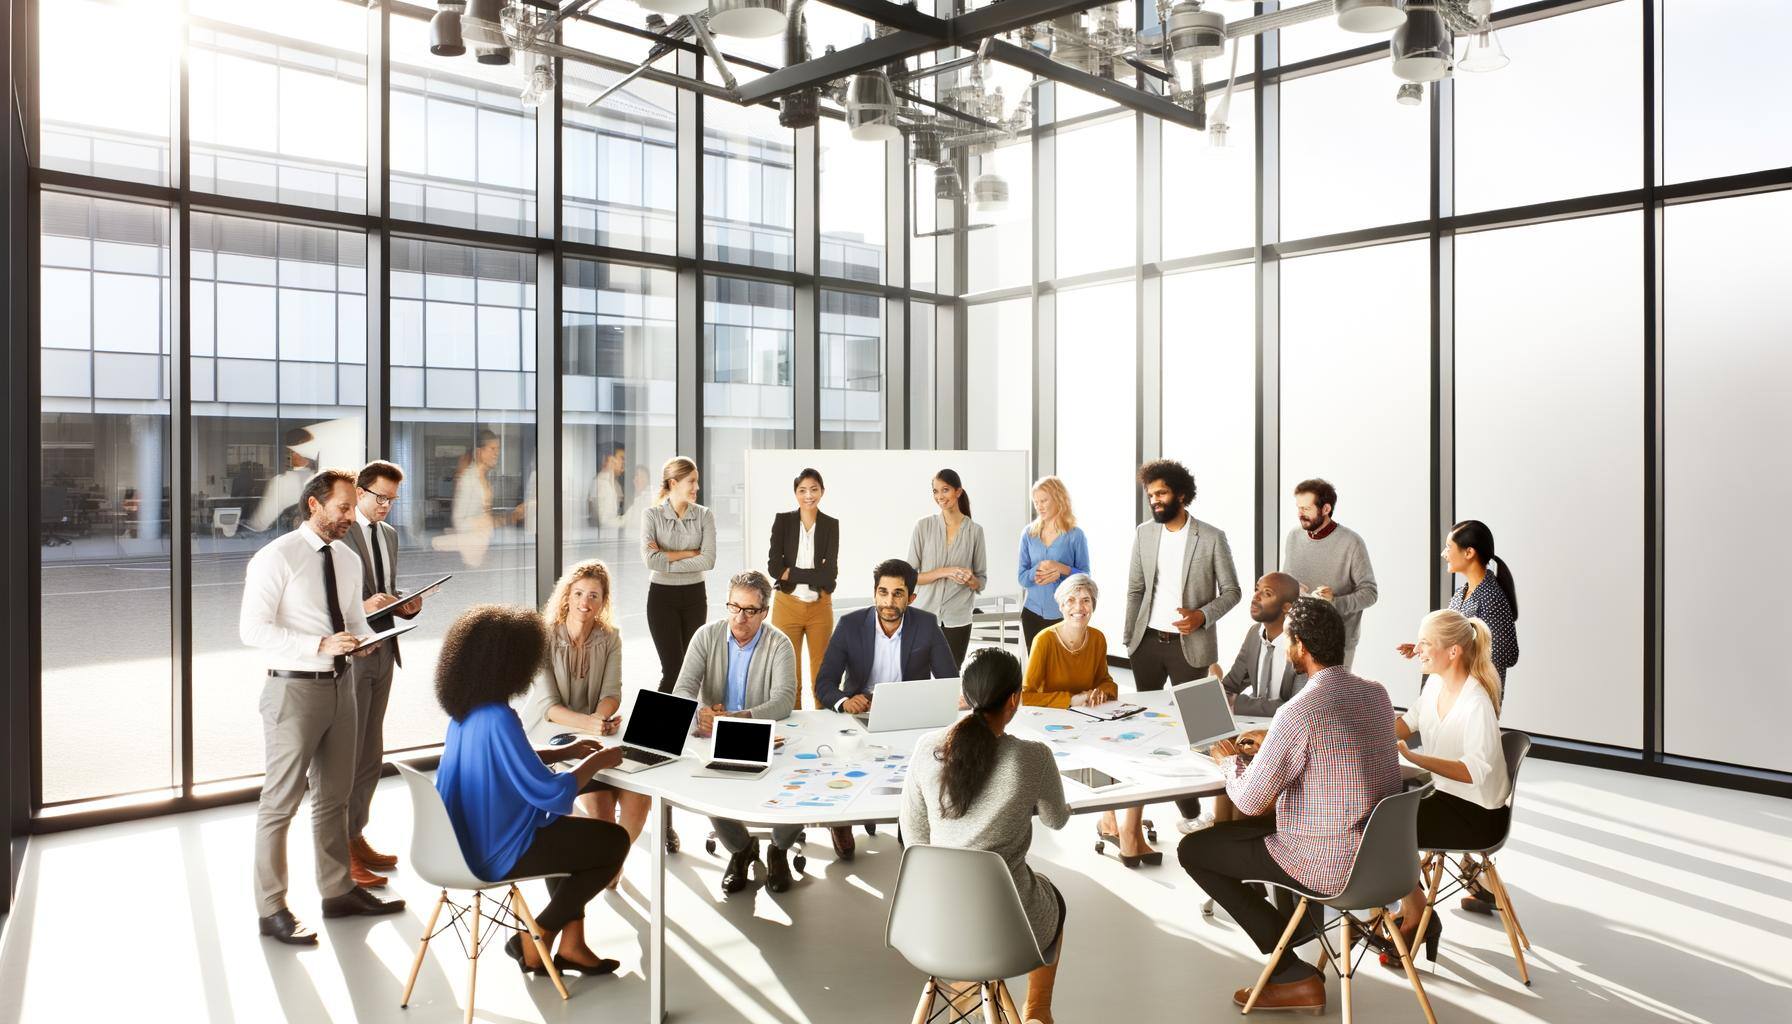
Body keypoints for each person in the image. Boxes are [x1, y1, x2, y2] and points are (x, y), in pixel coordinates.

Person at [1176, 598, 1401, 1016]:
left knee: (1194, 850)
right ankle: (1293, 941)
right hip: (1384, 860)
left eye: (1287, 643)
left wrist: (1230, 760)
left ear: (1300, 647)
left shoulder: (1298, 711)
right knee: (1258, 831)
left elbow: (1249, 799)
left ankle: (1290, 972)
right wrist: (1270, 750)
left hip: (1326, 865)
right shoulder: (1377, 695)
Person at [239, 469, 403, 945]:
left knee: (334, 797)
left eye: (353, 508)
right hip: (293, 690)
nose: (352, 516)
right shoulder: (277, 557)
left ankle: (337, 891)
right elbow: (252, 630)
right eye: (343, 508)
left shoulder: (349, 560)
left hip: (342, 686)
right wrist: (319, 644)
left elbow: (354, 621)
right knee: (281, 802)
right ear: (314, 505)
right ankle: (271, 908)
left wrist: (368, 640)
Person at [433, 604, 631, 977]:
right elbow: (551, 793)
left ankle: (572, 948)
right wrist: (599, 761)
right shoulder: (500, 718)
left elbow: (507, 757)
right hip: (496, 852)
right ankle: (538, 933)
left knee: (572, 839)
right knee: (613, 841)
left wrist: (564, 751)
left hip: (463, 843)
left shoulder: (467, 713)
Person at [902, 648, 1070, 1024]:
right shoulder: (1033, 757)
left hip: (929, 923)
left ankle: (962, 1005)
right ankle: (1038, 1011)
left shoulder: (926, 748)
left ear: (964, 695)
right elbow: (1056, 820)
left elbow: (914, 838)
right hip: (1007, 928)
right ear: (1014, 699)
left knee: (963, 897)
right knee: (1052, 896)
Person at [1373, 608, 1511, 969]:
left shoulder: (1476, 702)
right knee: (1377, 813)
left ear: (1453, 652)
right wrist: (1365, 732)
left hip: (1477, 815)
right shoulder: (1435, 684)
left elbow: (1473, 772)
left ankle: (1415, 914)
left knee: (1381, 826)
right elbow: (1407, 722)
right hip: (1447, 798)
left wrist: (1417, 760)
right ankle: (1403, 909)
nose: (1418, 650)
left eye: (1425, 643)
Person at [813, 557, 956, 861]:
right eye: (883, 592)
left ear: (911, 597)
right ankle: (842, 823)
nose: (889, 602)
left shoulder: (926, 624)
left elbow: (949, 680)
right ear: (875, 592)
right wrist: (843, 700)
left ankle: (911, 823)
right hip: (858, 713)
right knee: (847, 764)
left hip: (907, 715)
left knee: (917, 769)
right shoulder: (851, 625)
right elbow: (824, 683)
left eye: (898, 593)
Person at [1122, 460, 1240, 828]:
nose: (1155, 501)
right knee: (1145, 730)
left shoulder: (1211, 537)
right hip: (1146, 646)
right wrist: (1129, 640)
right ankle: (1184, 811)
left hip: (1191, 647)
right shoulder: (1144, 534)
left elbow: (1233, 592)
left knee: (1203, 730)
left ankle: (1222, 813)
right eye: (1151, 495)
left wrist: (1201, 616)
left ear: (1181, 495)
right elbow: (1136, 589)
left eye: (1161, 493)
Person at [672, 571, 800, 896]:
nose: (739, 617)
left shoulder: (779, 644)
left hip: (764, 734)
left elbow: (784, 701)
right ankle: (742, 849)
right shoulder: (706, 636)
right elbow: (683, 690)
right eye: (734, 607)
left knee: (797, 784)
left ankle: (778, 849)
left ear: (764, 612)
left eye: (750, 610)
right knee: (704, 785)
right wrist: (699, 715)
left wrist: (736, 718)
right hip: (716, 738)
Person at [1023, 574, 1161, 868]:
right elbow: (1027, 695)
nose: (1079, 607)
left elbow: (1106, 680)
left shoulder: (1096, 638)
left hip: (1092, 720)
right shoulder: (1045, 640)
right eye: (1072, 600)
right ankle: (1119, 828)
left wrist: (1103, 691)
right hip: (1055, 725)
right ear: (1061, 606)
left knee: (1134, 748)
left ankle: (1126, 828)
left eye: (1086, 600)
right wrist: (1071, 700)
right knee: (1110, 752)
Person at [522, 559, 652, 856]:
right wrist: (590, 725)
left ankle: (613, 859)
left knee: (638, 796)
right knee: (603, 809)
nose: (585, 602)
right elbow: (549, 707)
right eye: (579, 593)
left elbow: (612, 692)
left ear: (603, 601)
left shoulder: (610, 637)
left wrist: (599, 717)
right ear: (567, 597)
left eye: (594, 595)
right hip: (549, 734)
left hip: (595, 731)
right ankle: (606, 861)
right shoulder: (542, 636)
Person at [342, 460, 425, 889]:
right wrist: (364, 606)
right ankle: (340, 852)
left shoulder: (389, 536)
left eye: (393, 500)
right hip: (353, 653)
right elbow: (331, 598)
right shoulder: (341, 532)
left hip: (384, 648)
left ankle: (356, 834)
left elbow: (386, 585)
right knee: (348, 754)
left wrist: (404, 602)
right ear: (359, 492)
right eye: (380, 498)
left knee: (371, 754)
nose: (387, 507)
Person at [1399, 519, 1519, 694]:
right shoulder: (1460, 593)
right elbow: (1452, 638)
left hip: (1473, 698)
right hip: (1451, 695)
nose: (1443, 553)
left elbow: (1505, 655)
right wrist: (1426, 646)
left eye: (1449, 547)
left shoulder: (1492, 598)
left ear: (1469, 552)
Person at [1281, 479, 1378, 667]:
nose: (1300, 515)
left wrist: (1333, 603)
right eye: (1298, 508)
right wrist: (1291, 588)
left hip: (1336, 643)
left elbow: (1370, 594)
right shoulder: (1293, 536)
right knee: (1294, 696)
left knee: (1331, 697)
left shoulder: (1352, 542)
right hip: (1297, 638)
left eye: (1306, 509)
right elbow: (1287, 579)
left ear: (1326, 509)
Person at [642, 456, 717, 694]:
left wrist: (667, 557)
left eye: (697, 482)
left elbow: (708, 560)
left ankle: (688, 727)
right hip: (661, 598)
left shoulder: (704, 515)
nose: (697, 487)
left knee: (692, 670)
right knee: (673, 669)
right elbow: (650, 560)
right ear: (673, 483)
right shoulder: (651, 515)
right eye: (691, 481)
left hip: (695, 596)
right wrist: (689, 553)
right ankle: (655, 729)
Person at [768, 468, 839, 707]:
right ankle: (793, 726)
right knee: (789, 673)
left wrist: (793, 573)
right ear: (795, 493)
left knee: (822, 673)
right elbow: (775, 568)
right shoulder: (783, 521)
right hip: (787, 605)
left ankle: (823, 724)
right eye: (802, 490)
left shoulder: (830, 525)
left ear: (822, 491)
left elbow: (830, 577)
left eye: (814, 489)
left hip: (821, 606)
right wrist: (814, 574)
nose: (809, 495)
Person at [908, 468, 988, 667]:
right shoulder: (923, 526)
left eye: (945, 490)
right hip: (924, 615)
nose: (939, 496)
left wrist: (971, 580)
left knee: (950, 677)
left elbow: (981, 581)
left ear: (958, 492)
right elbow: (909, 576)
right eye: (935, 491)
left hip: (958, 618)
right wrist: (946, 571)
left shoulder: (975, 531)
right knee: (918, 674)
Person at [1211, 572, 1308, 719]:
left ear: (1286, 607)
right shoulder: (1254, 633)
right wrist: (1214, 685)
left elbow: (1296, 708)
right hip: (1252, 727)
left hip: (1288, 730)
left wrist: (1237, 703)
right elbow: (1231, 685)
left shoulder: (1302, 645)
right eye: (1257, 589)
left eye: (1267, 593)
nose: (1255, 597)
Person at [1016, 476, 1090, 653]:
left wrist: (1061, 569)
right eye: (1036, 502)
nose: (1039, 506)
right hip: (1031, 613)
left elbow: (1086, 577)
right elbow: (1022, 578)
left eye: (1044, 500)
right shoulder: (1028, 534)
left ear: (1058, 499)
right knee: (1037, 672)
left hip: (1064, 616)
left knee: (1062, 671)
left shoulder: (1075, 535)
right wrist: (1039, 569)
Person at [587, 441, 629, 532]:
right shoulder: (601, 483)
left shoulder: (614, 484)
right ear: (610, 459)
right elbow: (604, 521)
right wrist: (629, 519)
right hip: (604, 537)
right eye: (622, 458)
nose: (624, 463)